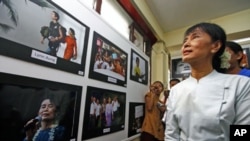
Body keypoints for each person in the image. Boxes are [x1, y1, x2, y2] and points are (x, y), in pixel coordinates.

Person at [165, 22, 250, 141]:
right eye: (185, 41)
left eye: (195, 37)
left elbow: (242, 131)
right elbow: (171, 134)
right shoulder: (176, 90)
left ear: (215, 46)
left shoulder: (240, 84)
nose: (186, 44)